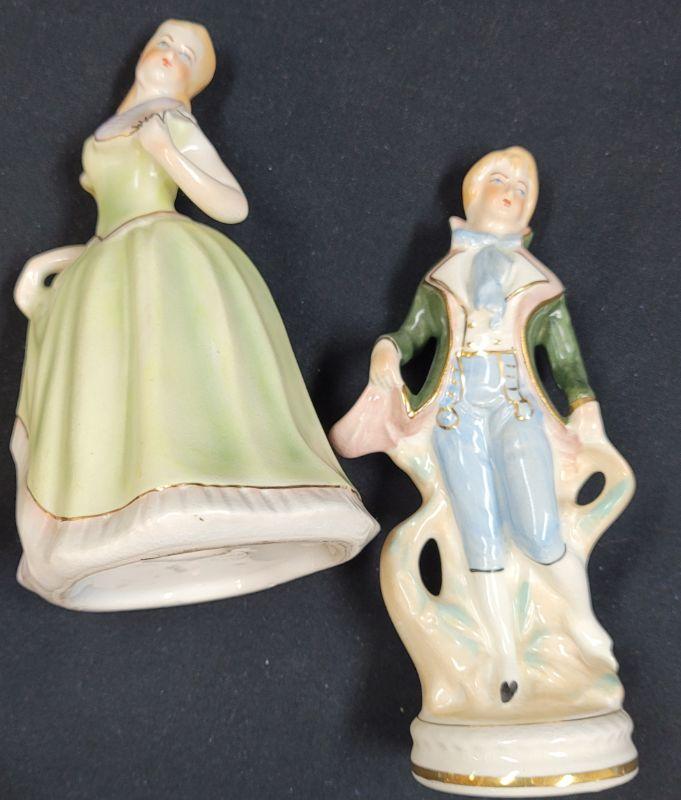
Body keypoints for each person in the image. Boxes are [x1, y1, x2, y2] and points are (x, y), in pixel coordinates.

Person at [12, 19, 376, 611]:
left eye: (185, 56)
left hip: (161, 250)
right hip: (107, 261)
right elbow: (109, 221)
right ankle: (104, 516)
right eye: (165, 44)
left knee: (170, 377)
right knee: (108, 387)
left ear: (192, 82)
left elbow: (230, 205)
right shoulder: (113, 126)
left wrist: (166, 152)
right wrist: (49, 266)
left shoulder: (170, 121)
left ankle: (197, 501)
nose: (170, 55)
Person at [334, 147, 615, 702]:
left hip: (516, 407)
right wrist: (388, 350)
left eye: (522, 189)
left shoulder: (541, 284)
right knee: (480, 538)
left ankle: (581, 619)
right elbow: (412, 334)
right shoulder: (442, 278)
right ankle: (504, 657)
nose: (510, 193)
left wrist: (585, 409)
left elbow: (566, 362)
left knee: (539, 529)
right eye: (500, 181)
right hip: (456, 414)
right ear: (474, 193)